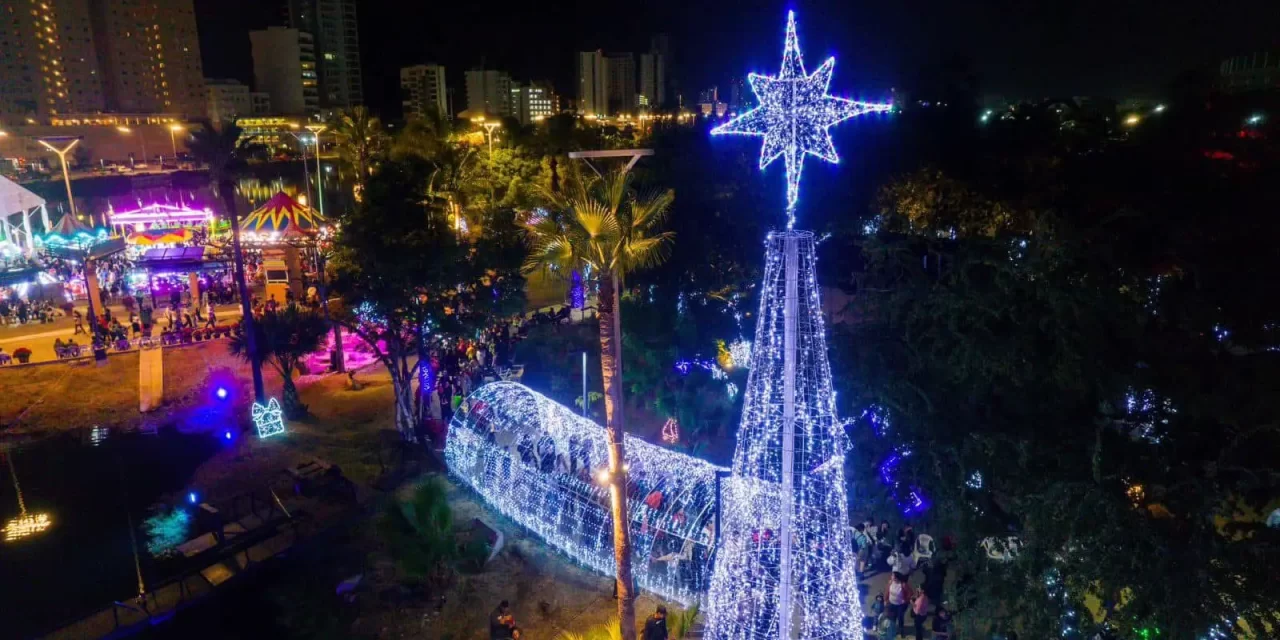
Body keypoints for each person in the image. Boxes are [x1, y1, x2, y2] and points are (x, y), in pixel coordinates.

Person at [885, 572, 914, 638]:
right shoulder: (890, 583)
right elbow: (887, 591)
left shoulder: (903, 585)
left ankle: (901, 631)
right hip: (891, 604)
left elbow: (910, 593)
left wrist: (905, 600)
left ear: (897, 578)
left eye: (893, 576)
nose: (892, 577)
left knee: (900, 618)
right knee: (892, 618)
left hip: (900, 605)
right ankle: (893, 630)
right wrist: (885, 599)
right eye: (892, 575)